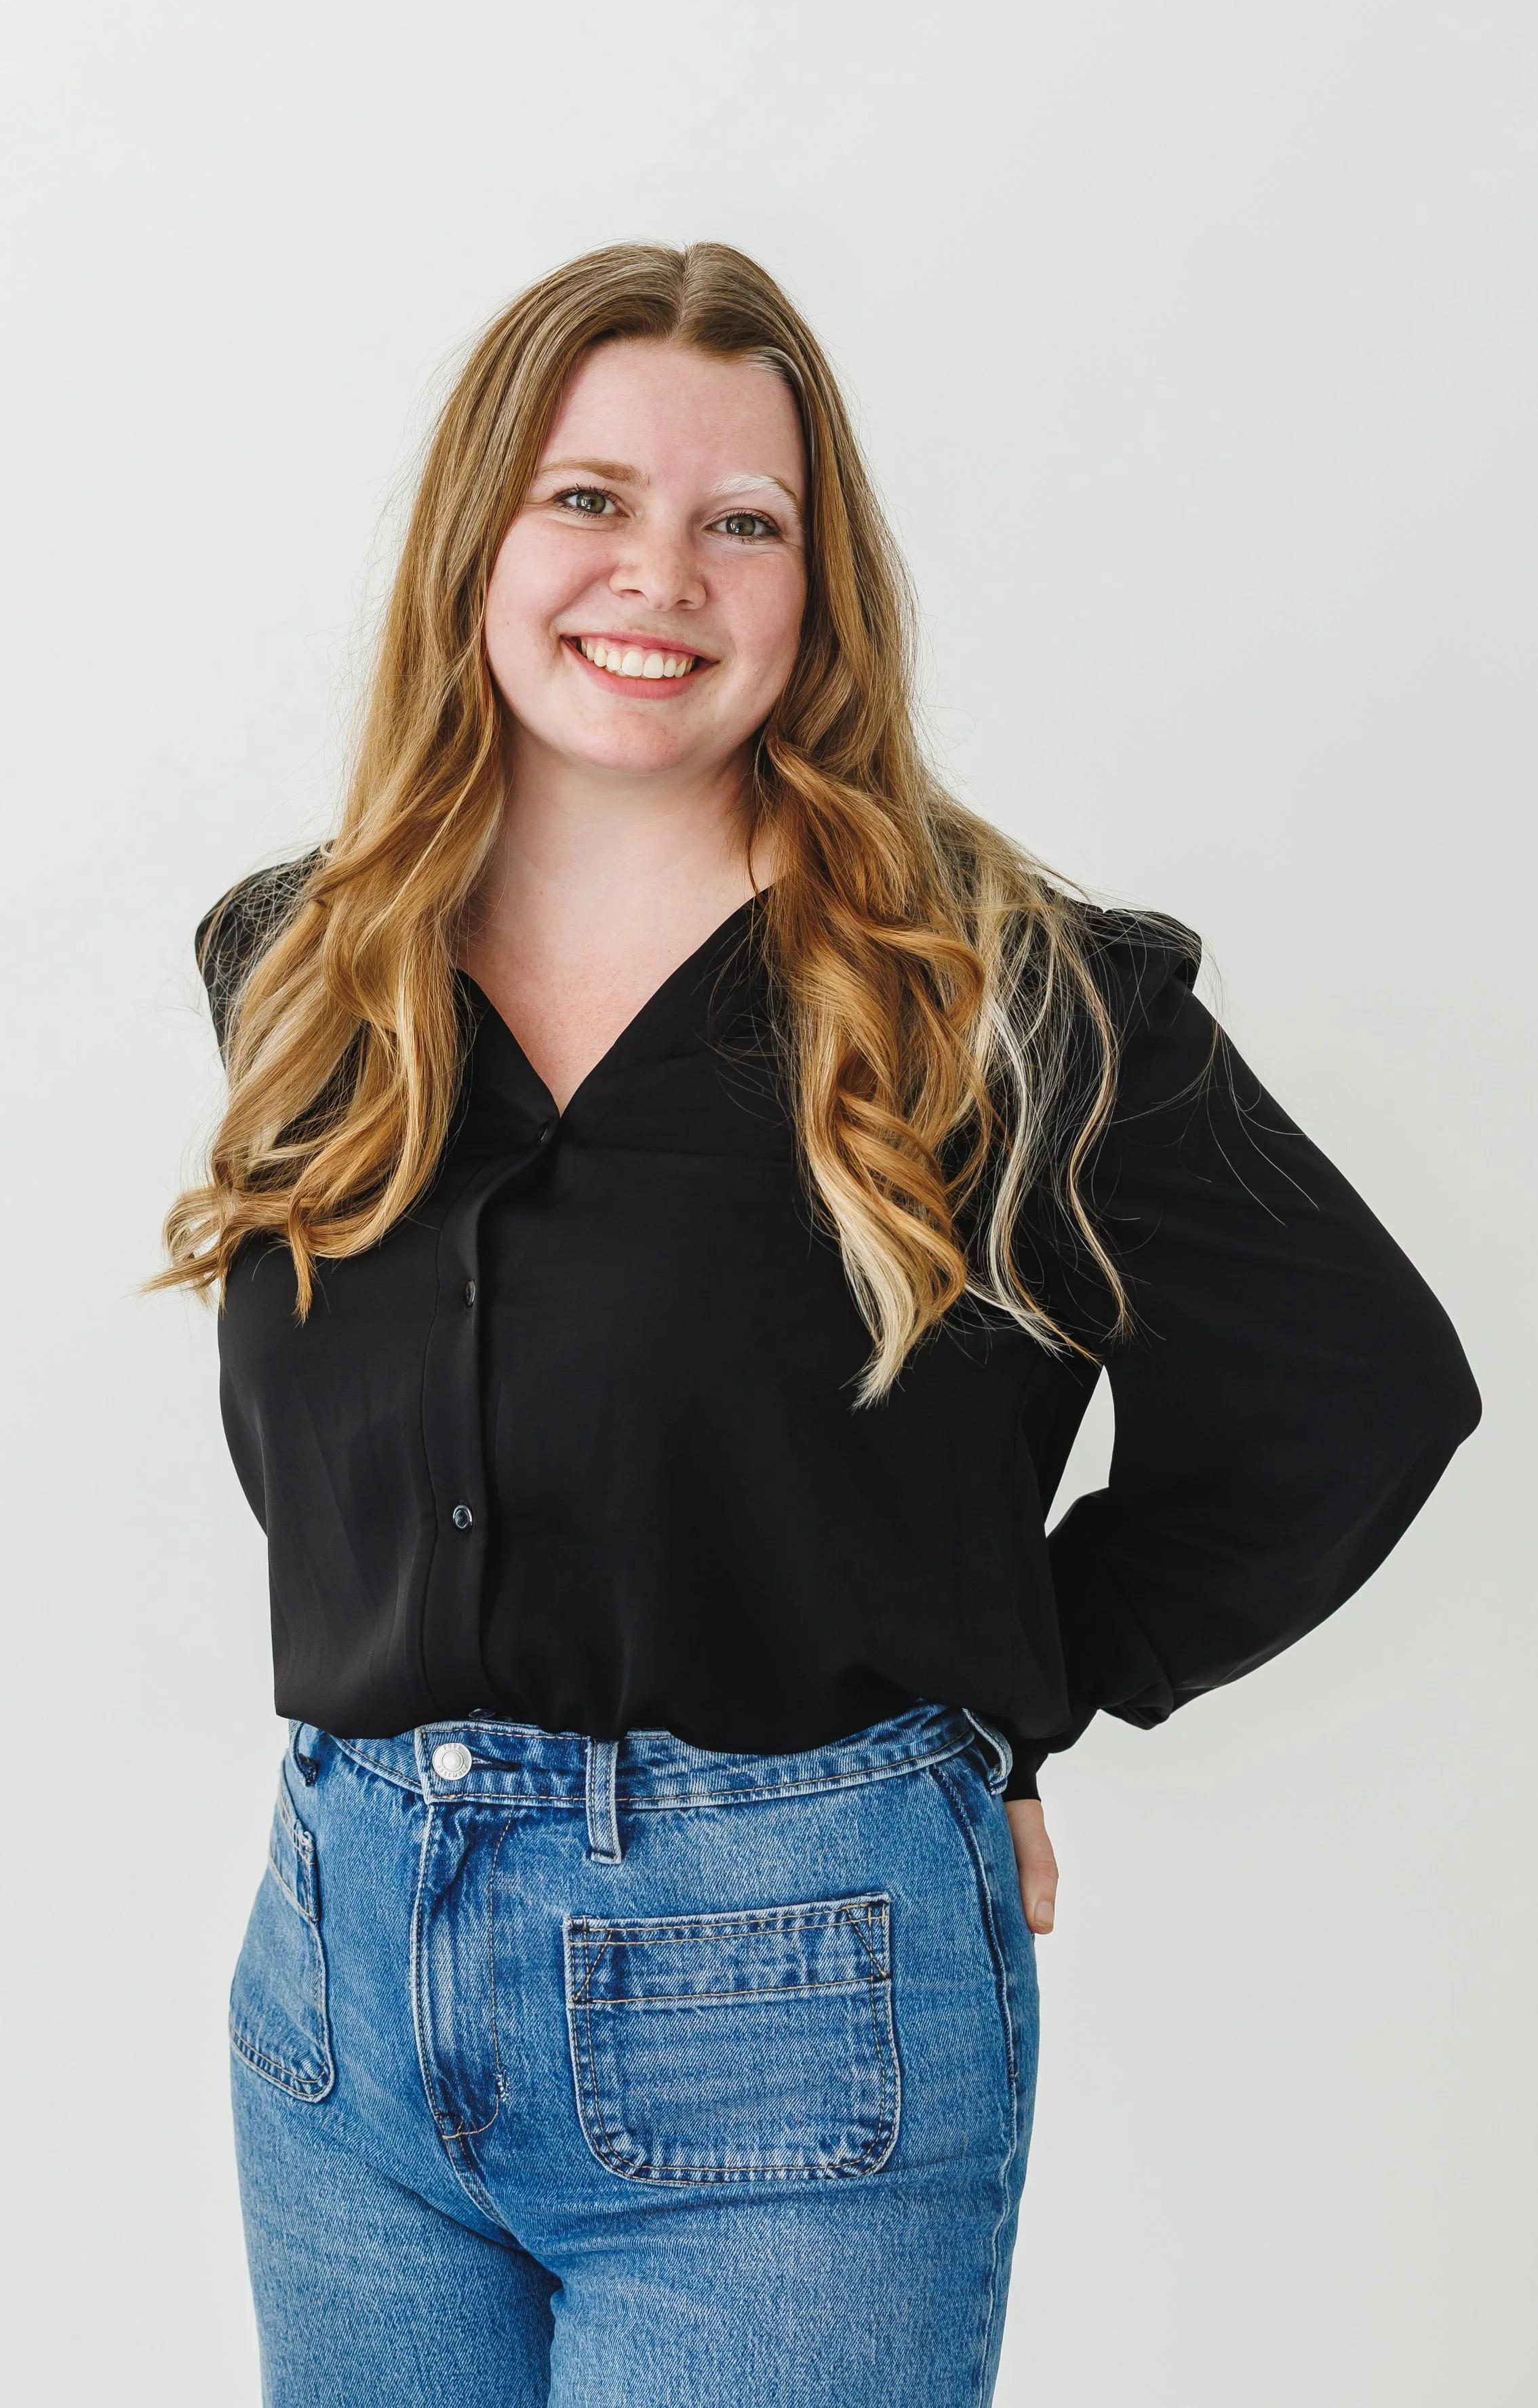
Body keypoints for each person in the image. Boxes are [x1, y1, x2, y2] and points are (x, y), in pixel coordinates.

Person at [159, 241, 1480, 2407]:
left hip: (791, 2002)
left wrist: (1022, 1687)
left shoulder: (1010, 997)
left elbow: (1360, 1393)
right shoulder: (300, 959)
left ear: (815, 581)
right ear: (476, 537)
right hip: (337, 1991)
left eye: (737, 520)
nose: (653, 572)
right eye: (586, 498)